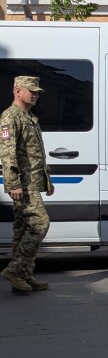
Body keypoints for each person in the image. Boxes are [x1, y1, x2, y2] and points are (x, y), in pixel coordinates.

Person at [0, 76, 54, 294]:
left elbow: (36, 153)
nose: (35, 95)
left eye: (38, 92)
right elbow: (7, 153)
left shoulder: (29, 117)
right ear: (17, 91)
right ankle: (15, 270)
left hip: (32, 181)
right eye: (32, 91)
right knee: (40, 223)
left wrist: (47, 180)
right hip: (23, 183)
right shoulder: (10, 117)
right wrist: (13, 183)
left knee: (22, 230)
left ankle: (23, 276)